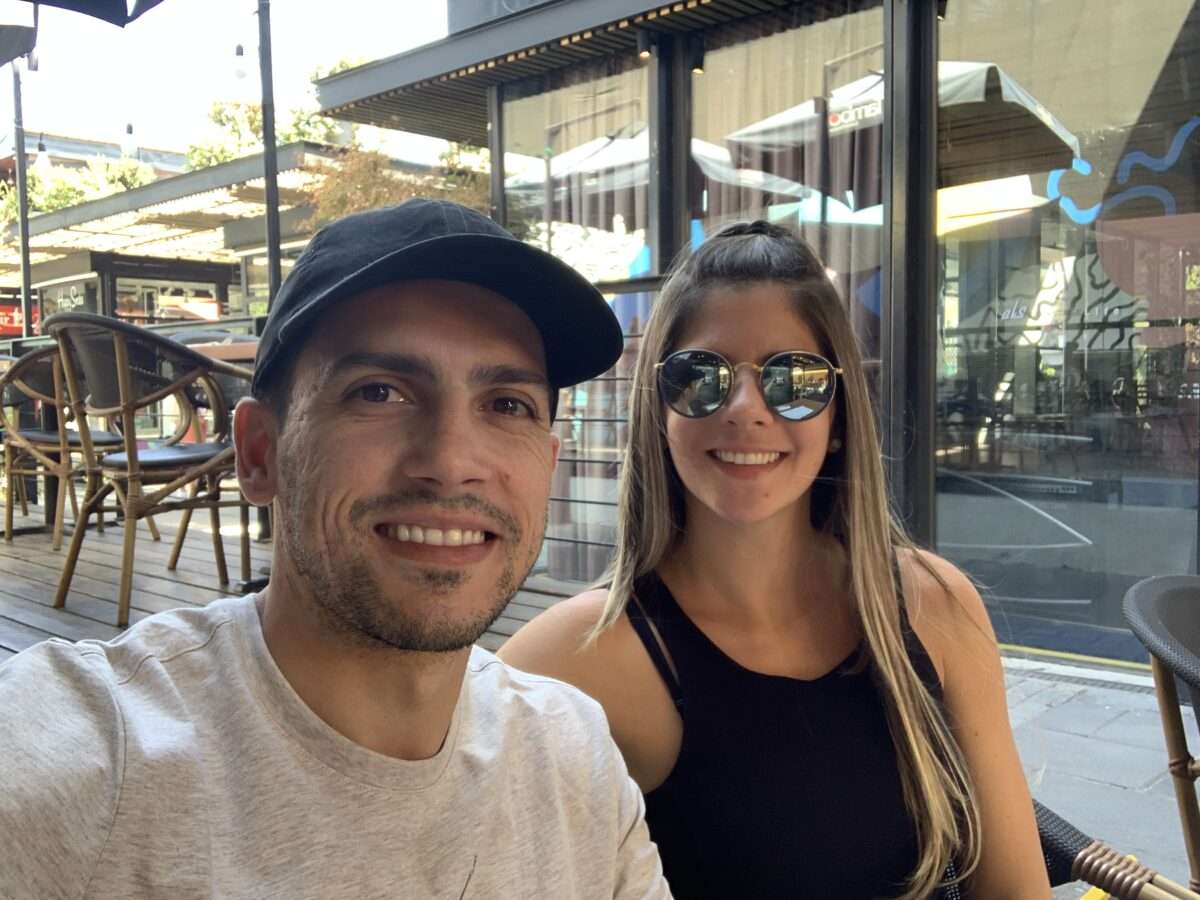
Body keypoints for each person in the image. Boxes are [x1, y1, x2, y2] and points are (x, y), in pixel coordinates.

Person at [0, 200, 670, 899]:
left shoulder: (573, 756)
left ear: (548, 466)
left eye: (508, 405)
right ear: (260, 454)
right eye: (379, 393)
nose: (451, 462)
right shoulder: (90, 760)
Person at [500, 221, 1050, 899]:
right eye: (700, 376)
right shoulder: (575, 659)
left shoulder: (935, 603)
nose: (746, 409)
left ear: (838, 415)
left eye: (794, 378)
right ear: (661, 412)